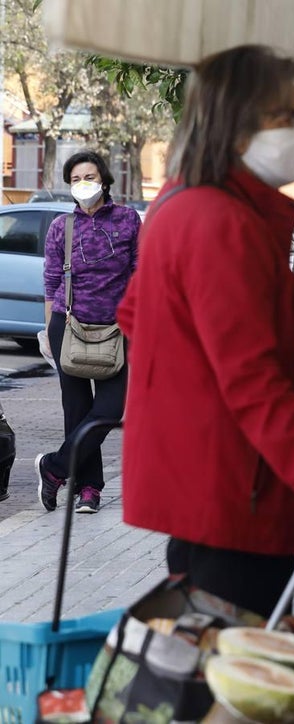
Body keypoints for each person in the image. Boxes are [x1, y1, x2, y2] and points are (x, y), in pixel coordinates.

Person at [116, 45, 294, 618]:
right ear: (235, 128)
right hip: (239, 494)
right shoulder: (218, 222)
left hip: (215, 487)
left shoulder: (180, 203)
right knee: (240, 662)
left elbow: (137, 315)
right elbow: (250, 377)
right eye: (283, 116)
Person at [36, 150, 140, 514]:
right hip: (68, 325)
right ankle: (89, 488)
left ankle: (54, 468)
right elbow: (51, 283)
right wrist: (47, 331)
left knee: (108, 410)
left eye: (90, 177)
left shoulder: (127, 219)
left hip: (117, 328)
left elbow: (140, 271)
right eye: (76, 179)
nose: (83, 184)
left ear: (105, 180)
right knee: (77, 410)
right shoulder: (60, 227)